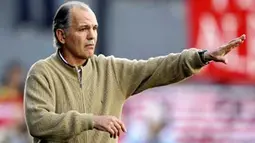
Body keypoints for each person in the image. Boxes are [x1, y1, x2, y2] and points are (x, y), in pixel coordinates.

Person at [23, 1, 246, 143]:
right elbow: (38, 123)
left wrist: (201, 57)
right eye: (83, 29)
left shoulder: (112, 70)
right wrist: (91, 120)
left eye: (95, 28)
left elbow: (158, 68)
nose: (92, 35)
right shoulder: (42, 73)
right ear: (61, 36)